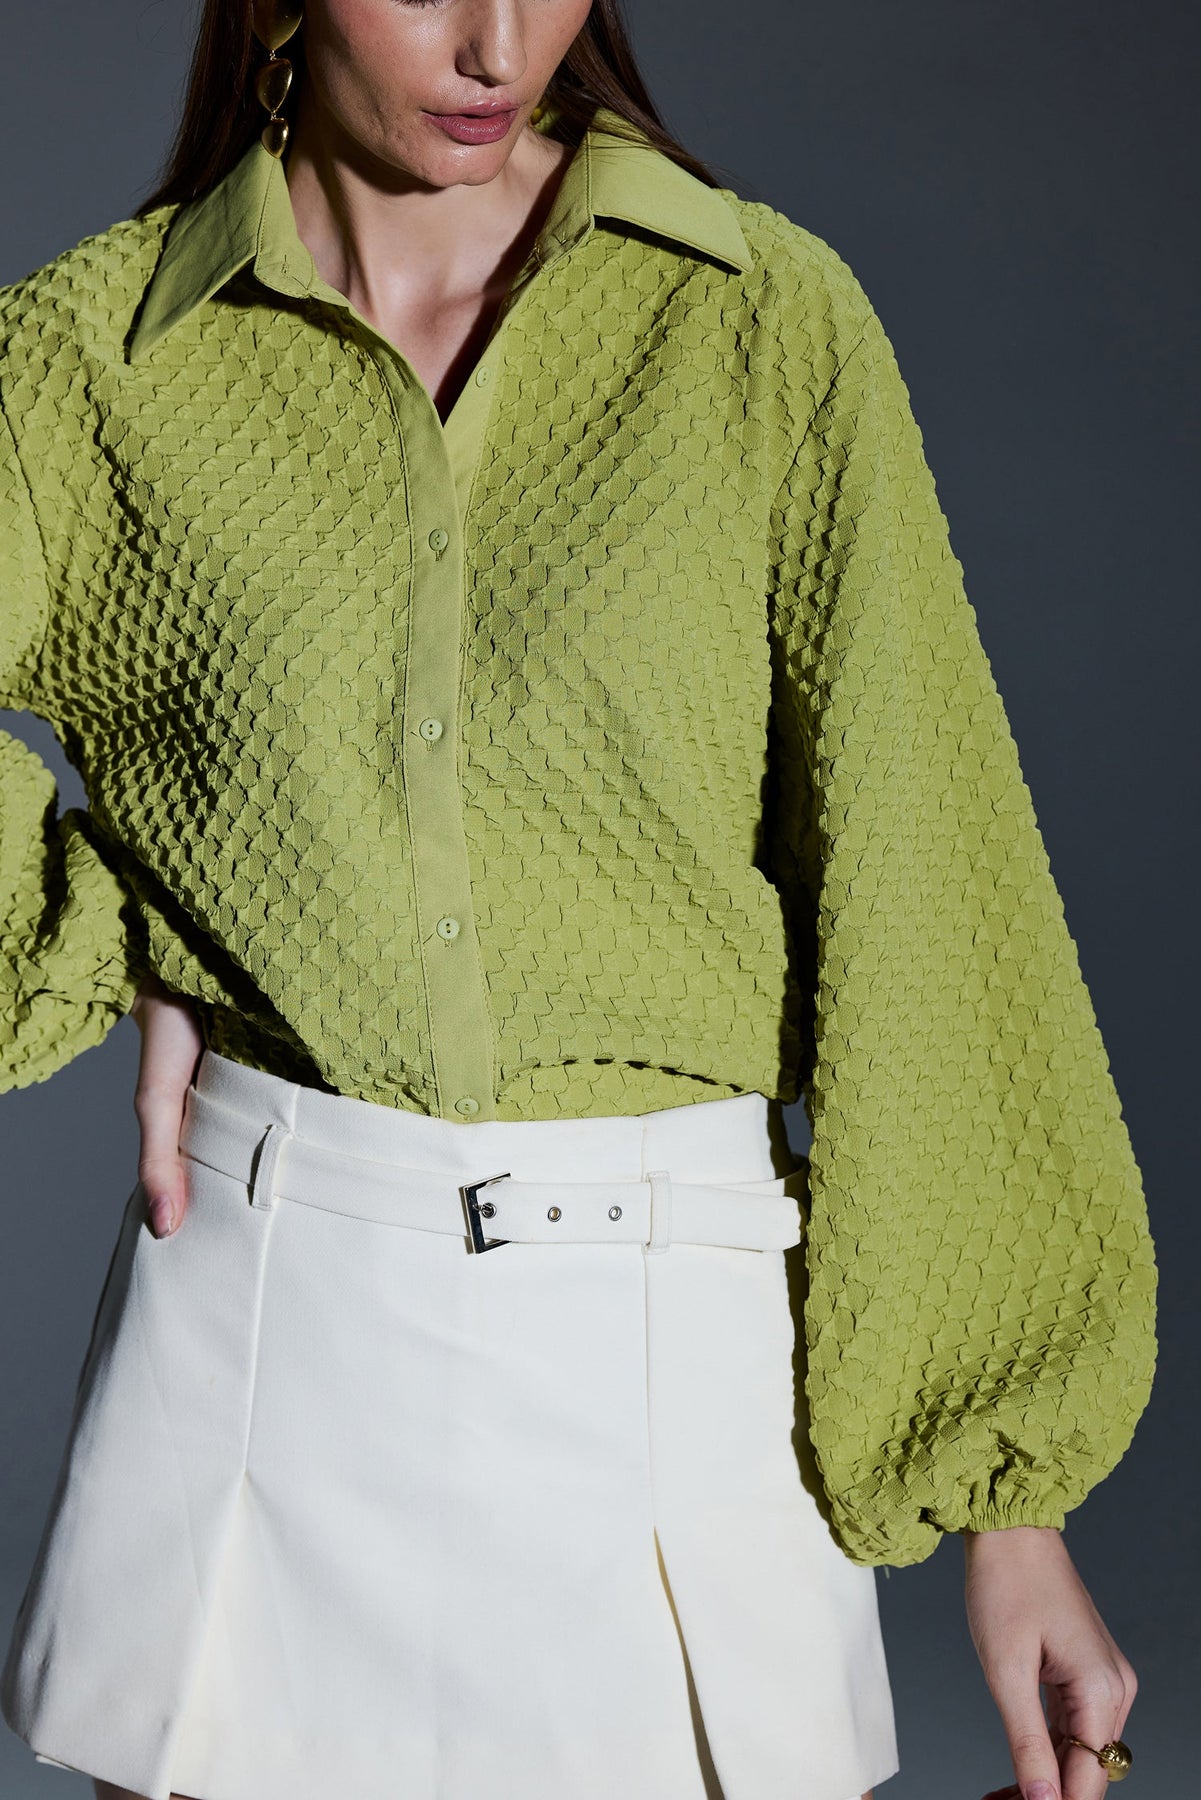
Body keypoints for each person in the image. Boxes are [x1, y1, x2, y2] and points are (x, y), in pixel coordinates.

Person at [0, 3, 1157, 1799]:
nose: (495, 43)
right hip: (263, 1346)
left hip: (677, 1376)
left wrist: (1010, 1510)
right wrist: (121, 926)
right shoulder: (95, 356)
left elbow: (929, 878)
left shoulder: (758, 320)